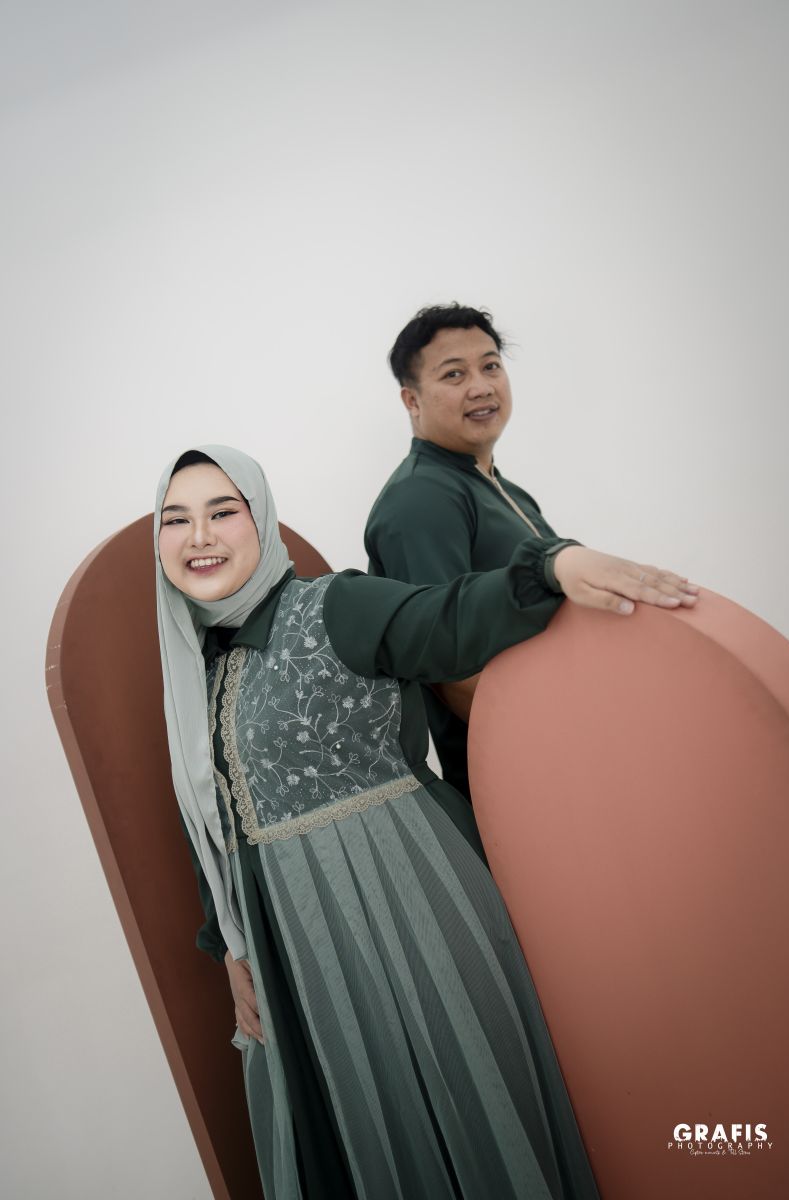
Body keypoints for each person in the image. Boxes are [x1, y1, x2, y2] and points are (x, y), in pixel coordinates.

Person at [155, 444, 696, 1200]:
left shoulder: (334, 607)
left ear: (262, 519)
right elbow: (212, 818)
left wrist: (550, 567)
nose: (200, 536)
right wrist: (231, 948)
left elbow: (443, 617)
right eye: (175, 519)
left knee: (463, 1116)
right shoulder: (197, 672)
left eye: (222, 511)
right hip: (297, 950)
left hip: (408, 913)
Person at [366, 302, 666, 802]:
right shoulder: (420, 498)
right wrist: (565, 744)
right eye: (454, 374)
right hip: (528, 776)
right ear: (411, 400)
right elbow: (446, 662)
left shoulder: (504, 490)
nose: (481, 386)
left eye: (490, 366)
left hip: (579, 747)